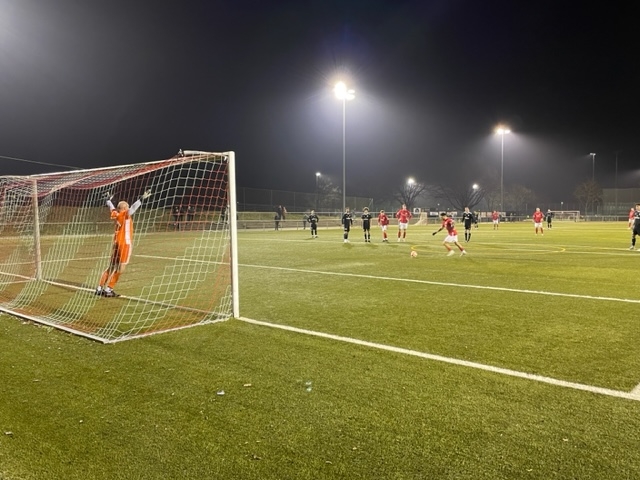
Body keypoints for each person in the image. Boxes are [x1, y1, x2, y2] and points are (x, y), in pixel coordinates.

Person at [95, 189, 152, 297]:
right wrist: (141, 199)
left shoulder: (116, 213)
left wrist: (108, 200)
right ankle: (109, 288)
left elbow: (112, 208)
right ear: (125, 208)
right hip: (125, 244)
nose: (129, 207)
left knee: (111, 267)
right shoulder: (125, 214)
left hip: (116, 243)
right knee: (121, 267)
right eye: (127, 206)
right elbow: (133, 208)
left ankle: (99, 288)